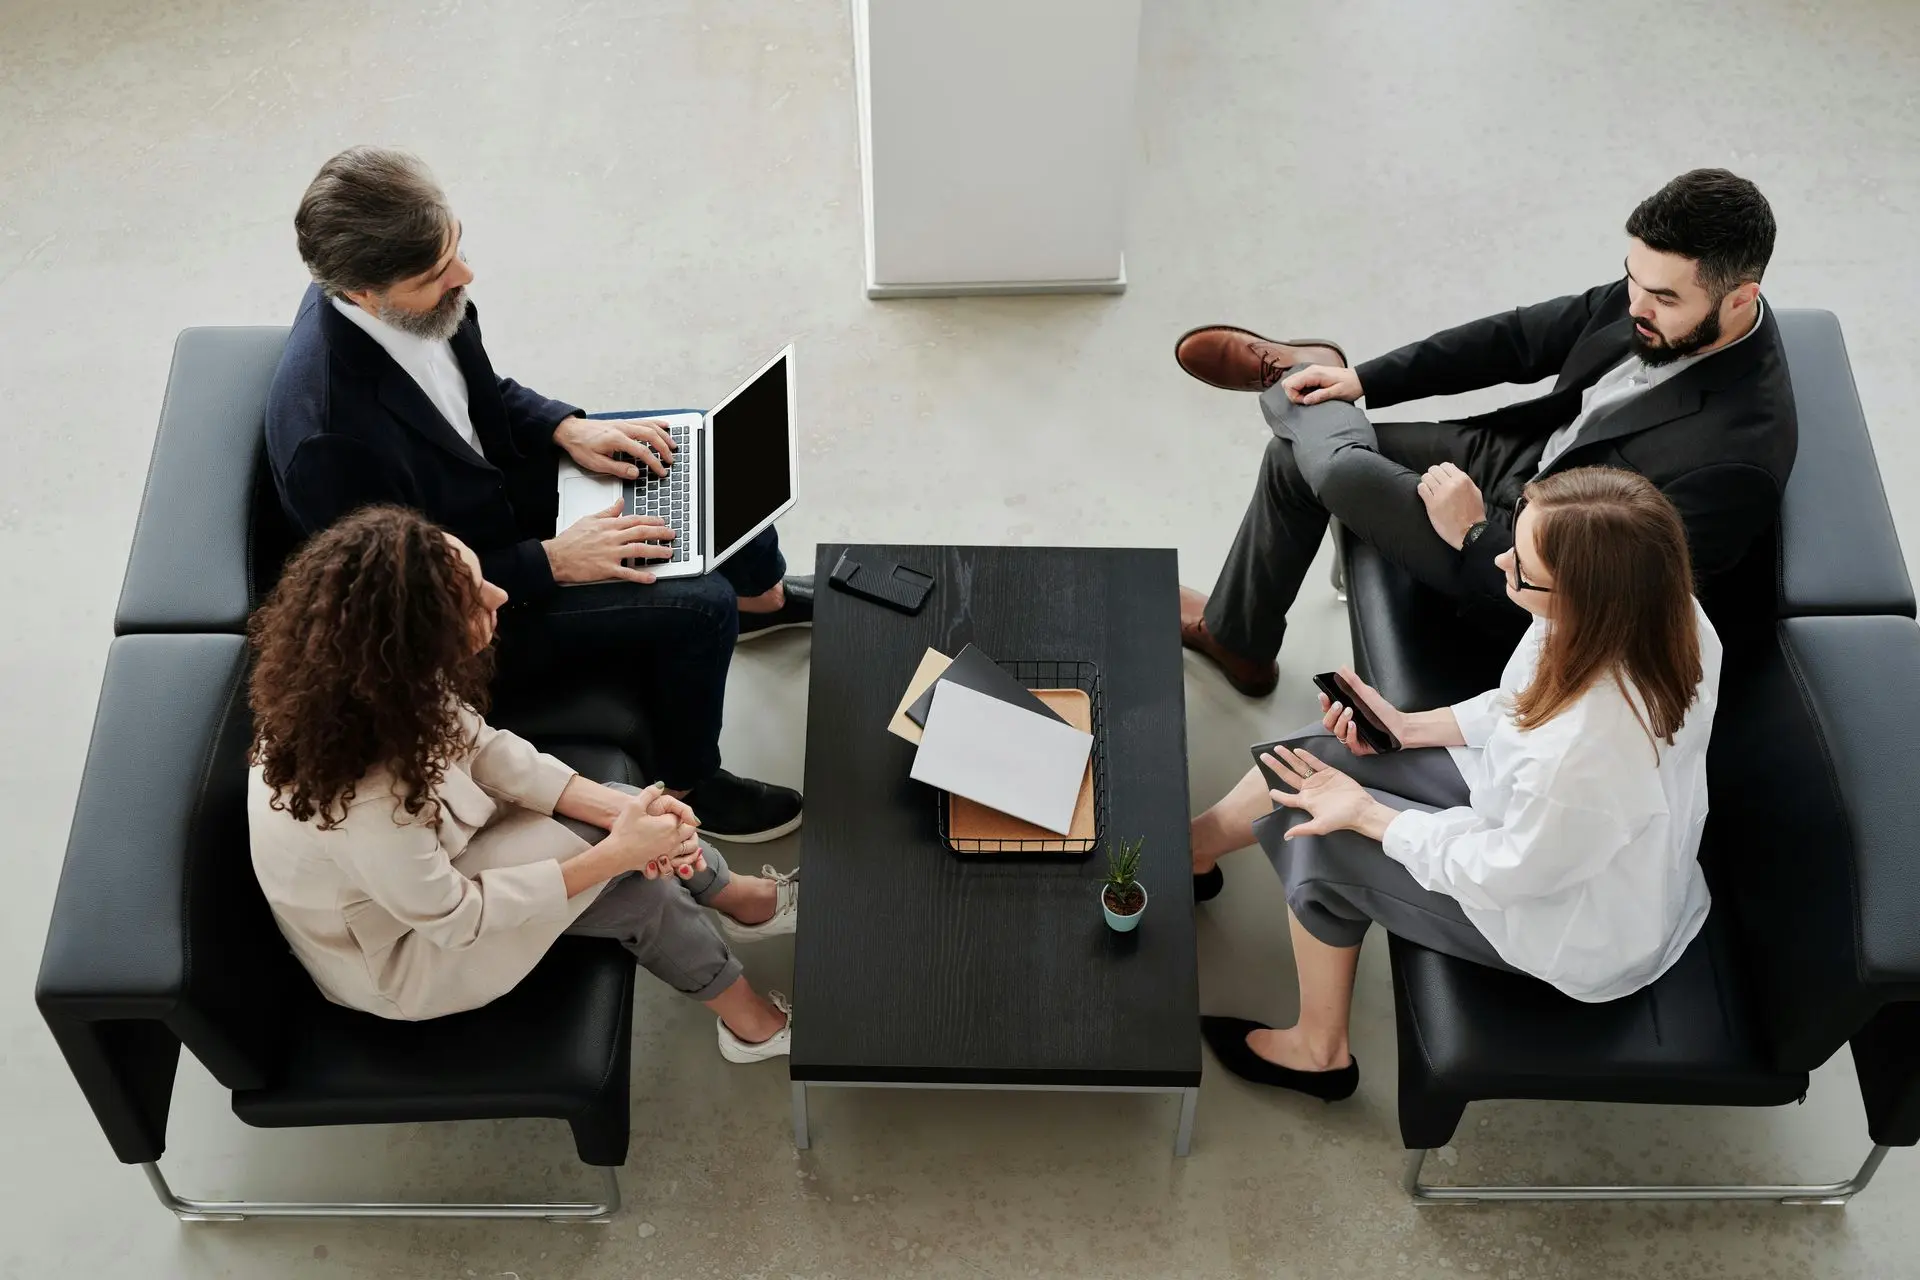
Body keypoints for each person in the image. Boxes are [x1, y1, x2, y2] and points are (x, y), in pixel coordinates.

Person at [266, 146, 806, 841]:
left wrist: (565, 427)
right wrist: (554, 560)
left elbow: (472, 396)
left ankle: (759, 596)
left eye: (456, 245)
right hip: (482, 603)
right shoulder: (330, 442)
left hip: (493, 494)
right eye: (437, 273)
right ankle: (691, 781)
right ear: (366, 293)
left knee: (693, 449)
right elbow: (407, 602)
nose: (465, 275)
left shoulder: (408, 298)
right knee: (699, 608)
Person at [1188, 468, 1720, 1100]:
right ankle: (1190, 850)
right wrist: (1408, 728)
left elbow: (1505, 872)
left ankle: (1318, 1052)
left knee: (1320, 838)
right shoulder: (1656, 611)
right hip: (1542, 823)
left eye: (1521, 567)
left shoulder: (1586, 752)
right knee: (1321, 752)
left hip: (1559, 914)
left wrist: (1368, 814)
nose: (1500, 562)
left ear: (1585, 597)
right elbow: (1522, 703)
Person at [1174, 168, 1791, 697]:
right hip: (1528, 459)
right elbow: (1518, 340)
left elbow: (1605, 606)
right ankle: (1239, 644)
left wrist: (1472, 533)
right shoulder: (1659, 293)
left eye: (1661, 298)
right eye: (1631, 278)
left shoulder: (1735, 459)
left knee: (1329, 468)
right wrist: (1363, 379)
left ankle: (1293, 380)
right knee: (1297, 460)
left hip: (1527, 566)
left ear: (1740, 300)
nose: (1635, 307)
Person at [246, 505, 799, 1061]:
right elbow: (457, 918)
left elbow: (484, 748)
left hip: (437, 867)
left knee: (634, 817)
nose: (500, 596)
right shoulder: (363, 802)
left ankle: (739, 900)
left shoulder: (376, 686)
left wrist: (622, 814)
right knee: (640, 891)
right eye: (474, 597)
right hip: (407, 949)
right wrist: (619, 852)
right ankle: (751, 1023)